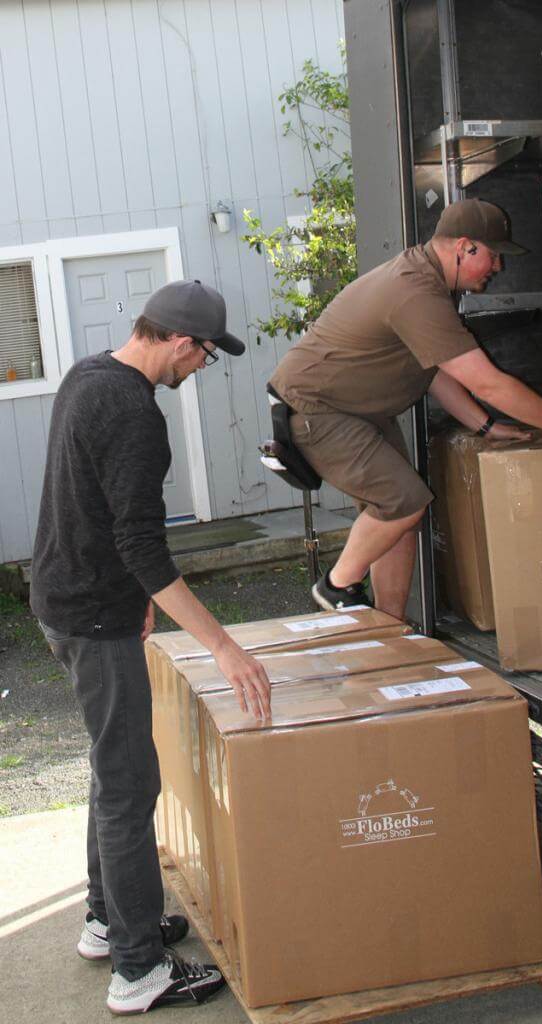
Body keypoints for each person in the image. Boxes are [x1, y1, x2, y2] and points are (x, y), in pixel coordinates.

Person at [30, 280, 271, 1015]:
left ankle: (110, 922)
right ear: (175, 339)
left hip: (68, 599)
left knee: (116, 774)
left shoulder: (86, 372)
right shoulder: (134, 414)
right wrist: (226, 650)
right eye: (203, 353)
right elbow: (141, 543)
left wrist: (136, 601)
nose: (201, 367)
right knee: (132, 788)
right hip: (92, 615)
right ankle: (139, 971)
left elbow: (89, 505)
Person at [269, 198, 542, 620]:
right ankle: (337, 585)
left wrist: (485, 424)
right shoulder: (414, 291)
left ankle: (388, 627)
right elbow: (487, 381)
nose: (498, 267)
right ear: (465, 247)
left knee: (400, 518)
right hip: (318, 410)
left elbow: (437, 370)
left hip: (358, 412)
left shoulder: (430, 283)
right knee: (403, 501)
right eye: (494, 256)